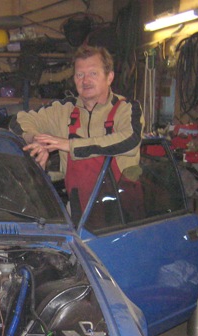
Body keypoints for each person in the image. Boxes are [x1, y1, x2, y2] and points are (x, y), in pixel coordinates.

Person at [11, 45, 144, 215]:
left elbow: (130, 140)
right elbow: (18, 121)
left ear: (109, 77)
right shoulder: (63, 109)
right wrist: (38, 140)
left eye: (93, 73)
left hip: (122, 215)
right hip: (79, 214)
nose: (85, 81)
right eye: (80, 75)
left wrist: (69, 145)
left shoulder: (127, 108)